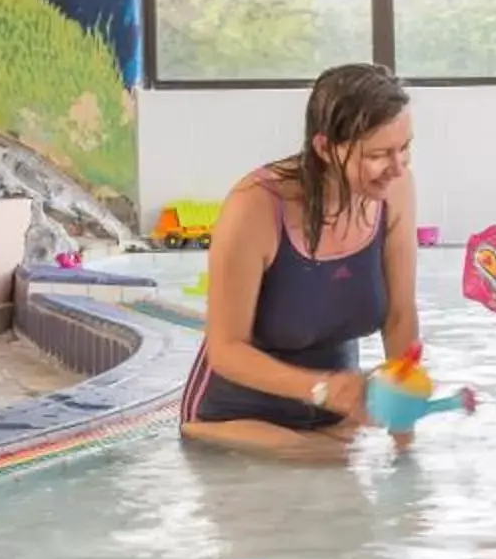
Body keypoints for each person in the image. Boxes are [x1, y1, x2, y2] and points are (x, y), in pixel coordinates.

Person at [180, 63, 422, 457]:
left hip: (333, 419)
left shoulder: (394, 189)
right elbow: (225, 349)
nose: (397, 168)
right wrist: (324, 389)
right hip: (234, 421)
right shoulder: (256, 207)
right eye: (378, 154)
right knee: (319, 463)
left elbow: (399, 314)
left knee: (339, 467)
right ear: (325, 148)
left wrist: (404, 415)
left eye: (405, 147)